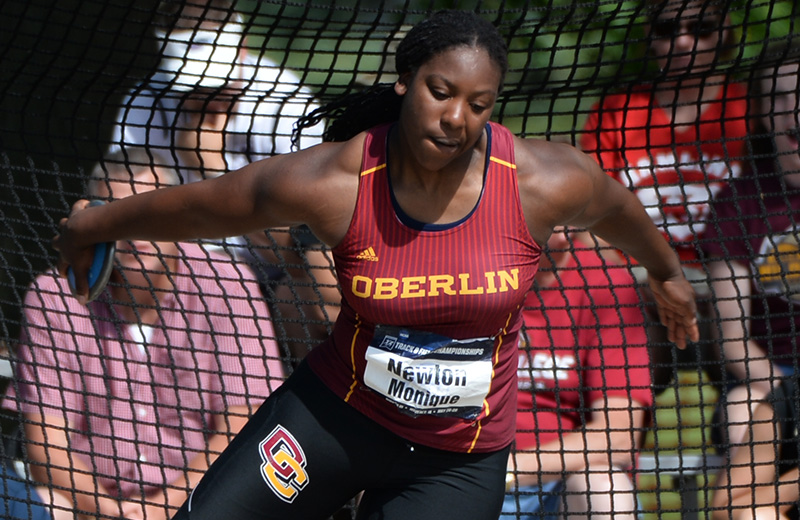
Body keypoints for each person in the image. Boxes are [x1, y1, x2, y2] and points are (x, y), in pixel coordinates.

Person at [54, 10, 699, 520]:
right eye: (439, 92)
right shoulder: (339, 179)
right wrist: (93, 223)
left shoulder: (539, 181)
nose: (454, 120)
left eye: (477, 104)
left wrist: (666, 274)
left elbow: (619, 210)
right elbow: (204, 209)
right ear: (404, 81)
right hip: (336, 418)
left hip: (456, 458)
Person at [5, 149, 285, 520]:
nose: (135, 233)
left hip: (206, 501)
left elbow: (245, 425)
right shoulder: (55, 295)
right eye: (118, 216)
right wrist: (113, 513)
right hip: (87, 506)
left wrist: (160, 511)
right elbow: (46, 441)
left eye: (150, 212)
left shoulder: (227, 284)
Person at [110, 0, 340, 360]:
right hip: (175, 278)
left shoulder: (288, 104)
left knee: (309, 298)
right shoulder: (143, 105)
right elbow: (122, 213)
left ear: (242, 47)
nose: (207, 97)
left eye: (217, 83)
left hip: (271, 275)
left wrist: (212, 168)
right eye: (193, 86)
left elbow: (304, 249)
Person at [706, 40, 800, 518]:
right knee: (743, 408)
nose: (793, 111)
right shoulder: (738, 203)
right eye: (779, 98)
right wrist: (788, 393)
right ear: (763, 112)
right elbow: (732, 338)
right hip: (771, 378)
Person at [502, 230, 652, 520]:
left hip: (560, 481)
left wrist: (508, 470)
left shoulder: (607, 284)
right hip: (462, 478)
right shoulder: (467, 275)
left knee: (606, 493)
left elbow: (619, 435)